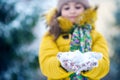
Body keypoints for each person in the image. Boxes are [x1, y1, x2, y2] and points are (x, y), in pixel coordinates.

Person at [39, 0, 110, 80]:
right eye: (66, 8)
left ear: (86, 10)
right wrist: (62, 65)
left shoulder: (96, 36)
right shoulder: (51, 36)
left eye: (77, 7)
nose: (72, 11)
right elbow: (46, 64)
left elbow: (104, 65)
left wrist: (90, 66)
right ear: (59, 12)